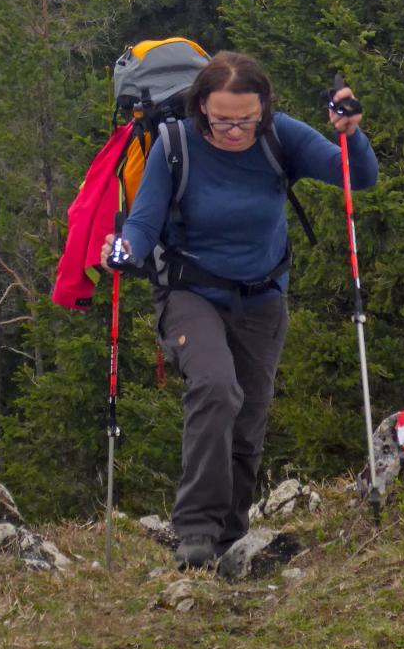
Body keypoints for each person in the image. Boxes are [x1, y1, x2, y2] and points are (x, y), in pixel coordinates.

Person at [100, 50, 378, 570]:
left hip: (264, 298)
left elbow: (356, 176)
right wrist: (125, 250)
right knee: (215, 388)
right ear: (200, 106)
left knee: (249, 416)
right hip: (190, 295)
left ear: (264, 109)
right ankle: (195, 531)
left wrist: (350, 132)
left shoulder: (281, 137)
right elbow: (143, 222)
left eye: (245, 119)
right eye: (221, 119)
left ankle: (231, 534)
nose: (232, 130)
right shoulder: (175, 146)